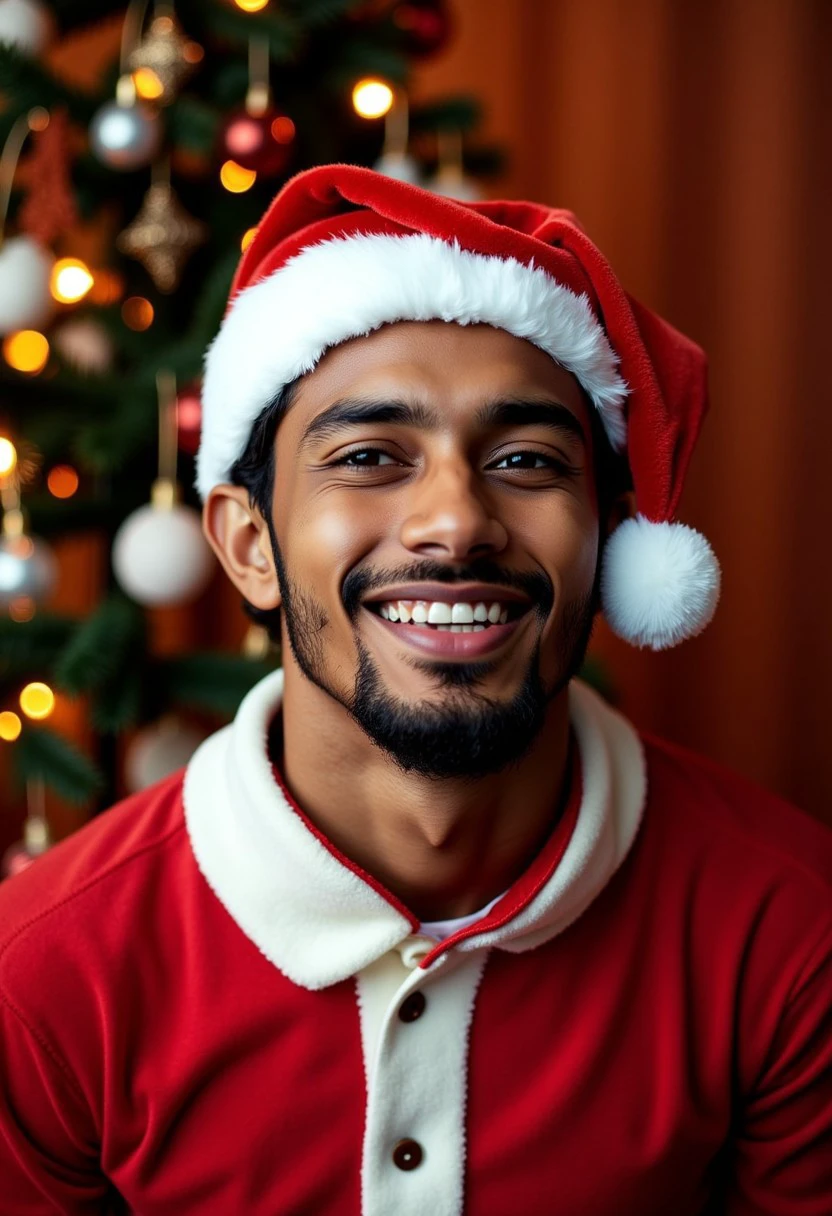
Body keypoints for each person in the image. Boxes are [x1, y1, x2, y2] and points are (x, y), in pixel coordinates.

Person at [0, 164, 830, 1216]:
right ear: (249, 545)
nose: (456, 521)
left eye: (526, 459)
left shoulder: (793, 926)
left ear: (615, 542)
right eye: (369, 456)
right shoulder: (39, 972)